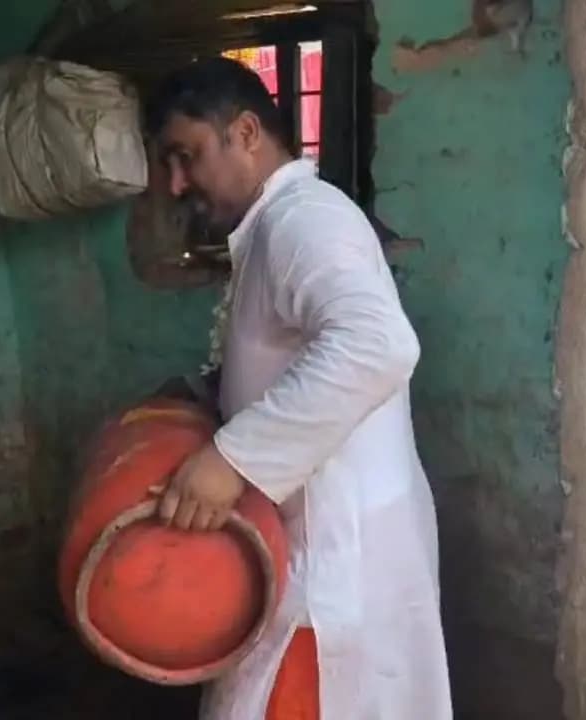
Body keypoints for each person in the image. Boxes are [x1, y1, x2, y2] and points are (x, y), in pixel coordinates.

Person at [145, 56, 452, 720]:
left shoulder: (304, 221)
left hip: (338, 560)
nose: (175, 183)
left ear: (248, 133)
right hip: (320, 542)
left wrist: (231, 460)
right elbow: (296, 355)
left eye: (186, 155)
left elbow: (377, 344)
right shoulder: (271, 225)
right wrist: (213, 395)